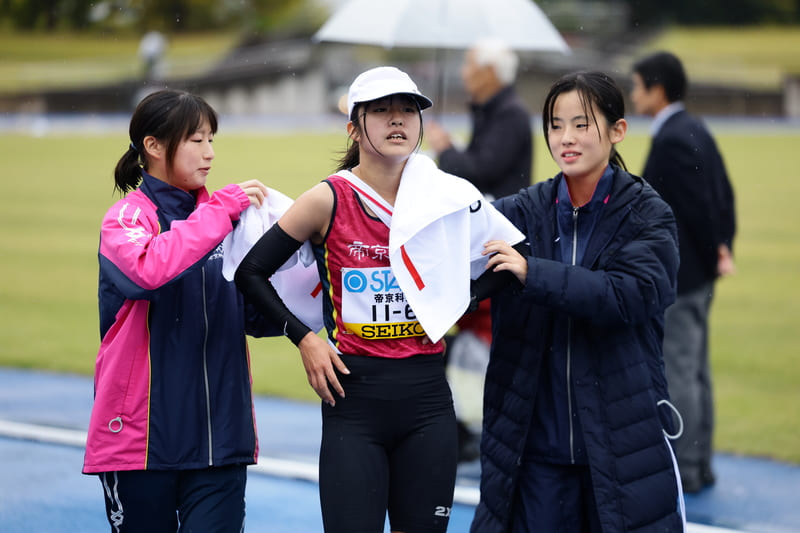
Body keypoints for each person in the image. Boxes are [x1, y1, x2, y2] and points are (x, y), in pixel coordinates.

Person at [234, 66, 523, 533]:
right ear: (353, 126)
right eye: (382, 110)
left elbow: (516, 256)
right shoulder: (328, 199)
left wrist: (462, 299)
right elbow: (252, 273)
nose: (397, 120)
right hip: (354, 402)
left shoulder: (446, 195)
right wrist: (305, 338)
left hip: (429, 404)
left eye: (408, 110)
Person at [469, 71, 686, 532]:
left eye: (581, 124)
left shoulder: (648, 213)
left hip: (621, 444)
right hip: (534, 449)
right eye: (554, 125)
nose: (565, 138)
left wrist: (533, 271)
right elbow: (442, 242)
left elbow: (627, 296)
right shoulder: (519, 212)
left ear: (617, 131)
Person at [82, 89, 277, 532]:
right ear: (153, 146)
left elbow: (254, 316)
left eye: (212, 140)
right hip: (140, 442)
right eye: (196, 140)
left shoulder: (227, 220)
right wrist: (221, 213)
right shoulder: (127, 217)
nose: (209, 154)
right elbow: (146, 270)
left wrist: (310, 274)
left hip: (220, 440)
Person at [631, 51, 737, 493]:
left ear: (656, 90)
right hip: (699, 271)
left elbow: (698, 206)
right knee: (696, 371)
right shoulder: (694, 127)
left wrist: (714, 249)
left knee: (679, 371)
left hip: (683, 275)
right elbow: (724, 194)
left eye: (636, 86)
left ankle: (687, 471)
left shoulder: (673, 137)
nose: (632, 95)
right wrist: (723, 247)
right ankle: (700, 466)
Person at [426, 37, 533, 462]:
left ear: (490, 71)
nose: (465, 73)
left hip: (494, 244)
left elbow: (478, 173)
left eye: (471, 65)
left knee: (483, 337)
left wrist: (447, 149)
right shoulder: (497, 112)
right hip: (484, 241)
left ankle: (477, 427)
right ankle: (469, 426)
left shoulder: (508, 115)